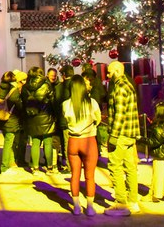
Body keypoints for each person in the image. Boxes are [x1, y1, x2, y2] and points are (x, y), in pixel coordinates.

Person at [104, 60, 141, 217]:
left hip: (120, 135)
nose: (108, 75)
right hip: (130, 133)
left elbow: (119, 114)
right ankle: (133, 200)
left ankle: (121, 204)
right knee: (130, 167)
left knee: (115, 167)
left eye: (110, 72)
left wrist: (113, 135)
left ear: (117, 71)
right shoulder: (129, 85)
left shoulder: (119, 88)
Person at [63, 75, 102, 216]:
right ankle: (90, 207)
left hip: (73, 141)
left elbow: (66, 118)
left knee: (74, 175)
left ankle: (76, 207)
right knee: (90, 176)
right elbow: (98, 118)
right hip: (89, 141)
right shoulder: (92, 103)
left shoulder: (66, 104)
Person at [21, 67, 56, 175]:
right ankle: (49, 167)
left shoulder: (25, 87)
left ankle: (35, 167)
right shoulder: (47, 85)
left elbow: (23, 102)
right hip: (46, 116)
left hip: (32, 118)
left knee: (35, 143)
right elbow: (53, 101)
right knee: (48, 142)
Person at [0, 70, 23, 175]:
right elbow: (18, 105)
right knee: (8, 143)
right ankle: (4, 167)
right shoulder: (13, 90)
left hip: (1, 119)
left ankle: (10, 162)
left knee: (8, 141)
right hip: (11, 120)